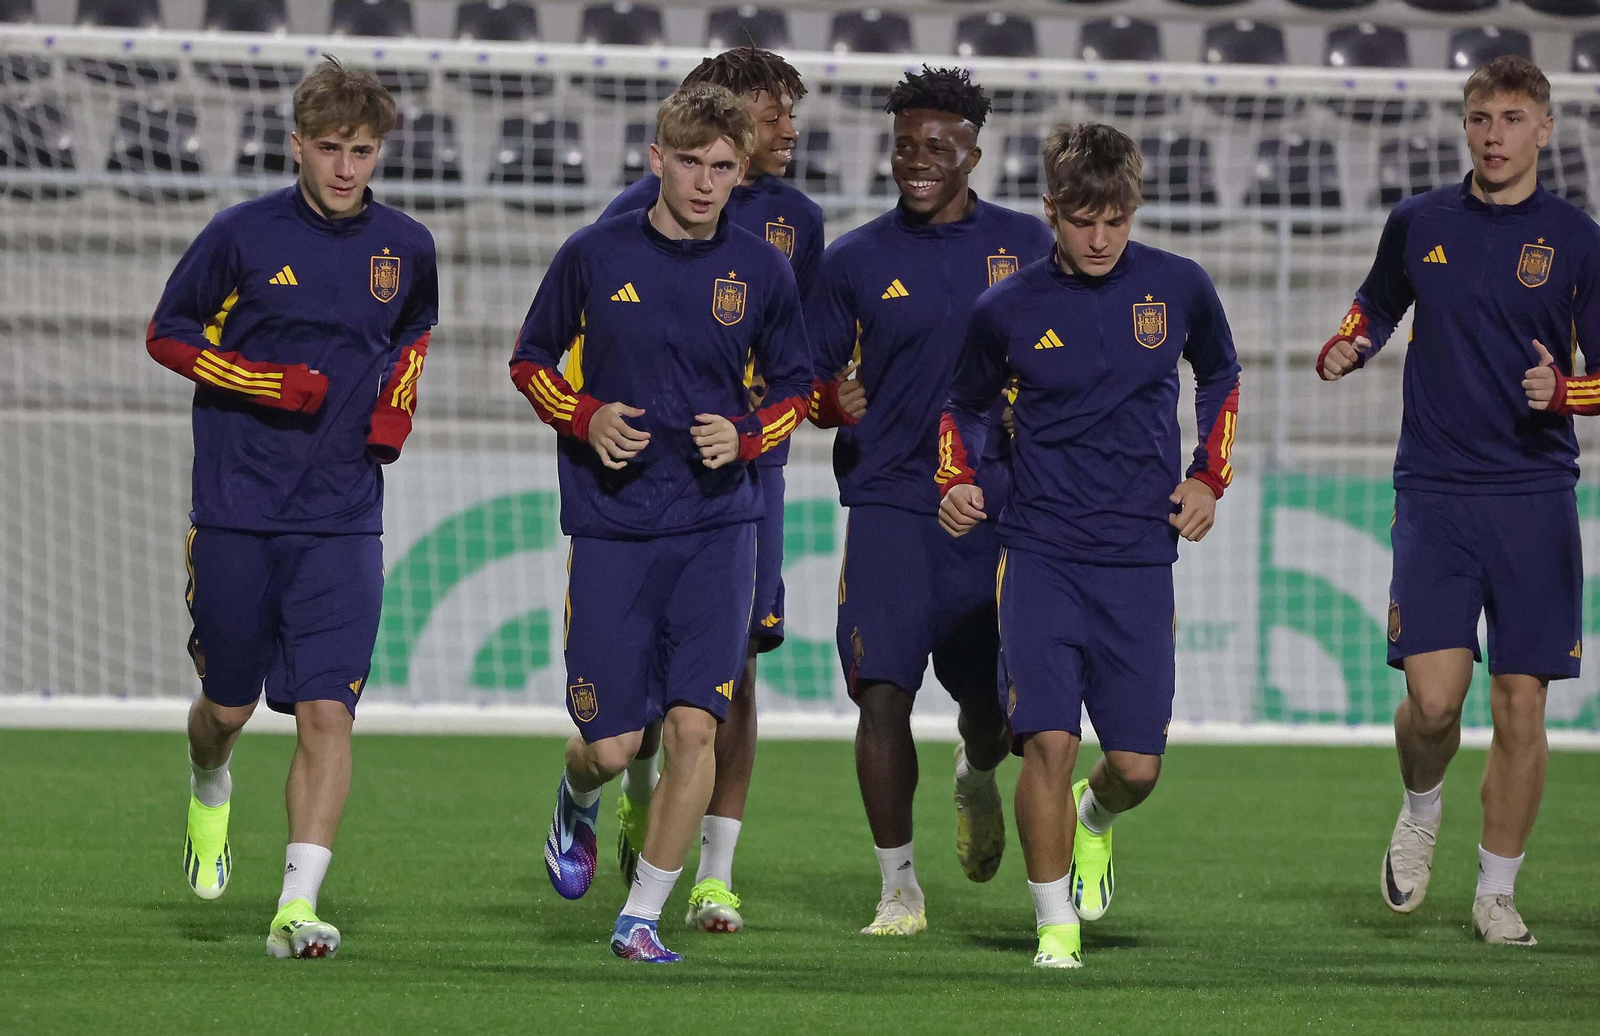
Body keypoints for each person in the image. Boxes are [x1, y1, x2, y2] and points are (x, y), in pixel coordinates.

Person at [510, 83, 811, 963]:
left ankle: (639, 915)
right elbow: (530, 360)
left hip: (720, 527)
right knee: (610, 746)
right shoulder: (594, 254)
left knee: (693, 728)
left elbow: (800, 387)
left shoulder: (762, 270)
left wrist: (749, 433)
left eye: (724, 168)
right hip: (612, 528)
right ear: (656, 160)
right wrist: (583, 414)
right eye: (691, 164)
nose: (707, 182)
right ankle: (578, 797)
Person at [148, 57, 438, 959]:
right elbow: (169, 332)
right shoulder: (239, 236)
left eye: (362, 150)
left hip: (344, 514)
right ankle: (208, 781)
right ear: (296, 147)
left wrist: (396, 410)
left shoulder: (408, 247)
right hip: (237, 504)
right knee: (227, 707)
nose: (347, 167)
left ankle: (298, 904)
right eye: (329, 149)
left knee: (327, 713)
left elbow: (413, 336)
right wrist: (263, 381)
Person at [940, 123, 1241, 968]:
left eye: (1115, 219)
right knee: (1046, 739)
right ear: (1051, 212)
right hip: (1038, 553)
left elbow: (1220, 373)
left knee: (1137, 768)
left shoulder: (1180, 287)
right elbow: (962, 408)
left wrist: (1207, 475)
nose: (1100, 238)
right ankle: (1054, 928)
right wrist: (955, 479)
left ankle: (1095, 818)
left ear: (1134, 208)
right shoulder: (1006, 308)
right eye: (1081, 221)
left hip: (1140, 559)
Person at [1317, 56, 1600, 946]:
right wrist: (1348, 345)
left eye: (1513, 118)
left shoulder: (1579, 238)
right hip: (1435, 490)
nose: (1494, 134)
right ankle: (1421, 803)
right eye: (1480, 117)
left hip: (1533, 493)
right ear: (1464, 126)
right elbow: (1377, 304)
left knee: (1522, 703)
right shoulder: (1419, 221)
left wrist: (1567, 396)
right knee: (1436, 702)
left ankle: (1496, 893)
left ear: (1545, 130)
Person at [596, 47, 858, 933]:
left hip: (752, 475)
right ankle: (632, 788)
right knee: (632, 692)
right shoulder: (630, 220)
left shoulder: (797, 224)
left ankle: (715, 870)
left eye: (787, 116)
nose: (788, 129)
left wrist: (822, 401)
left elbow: (802, 364)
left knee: (735, 669)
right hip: (639, 485)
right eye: (774, 111)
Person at [806, 66, 1054, 936]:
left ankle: (976, 772)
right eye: (905, 144)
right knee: (881, 692)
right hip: (891, 502)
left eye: (938, 147)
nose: (917, 160)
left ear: (973, 154)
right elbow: (804, 384)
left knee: (993, 713)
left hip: (992, 509)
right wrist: (836, 401)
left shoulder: (1027, 245)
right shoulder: (854, 261)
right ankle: (898, 888)